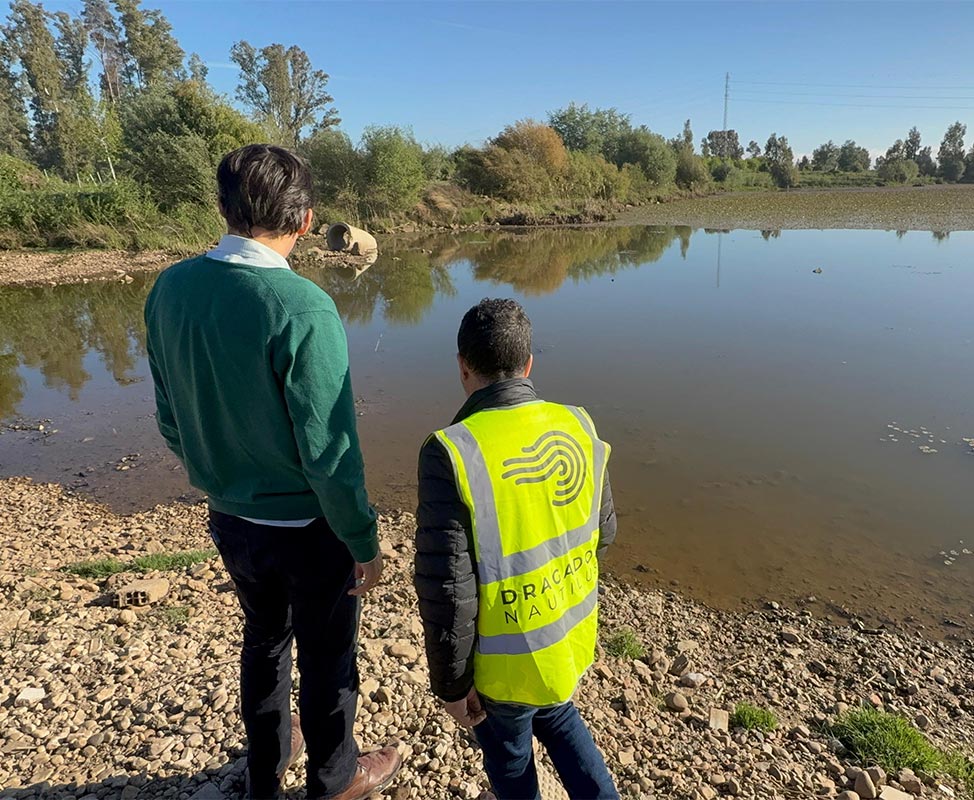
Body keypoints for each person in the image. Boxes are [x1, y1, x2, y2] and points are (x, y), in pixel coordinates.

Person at [144, 143, 401, 800]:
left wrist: (217, 475)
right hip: (310, 530)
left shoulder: (170, 288)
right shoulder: (301, 304)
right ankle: (335, 779)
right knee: (326, 655)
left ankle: (265, 773)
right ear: (307, 220)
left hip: (230, 518)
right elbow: (331, 452)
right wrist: (364, 541)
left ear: (223, 207)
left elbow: (169, 412)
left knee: (263, 640)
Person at [415, 298, 619, 800]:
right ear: (529, 365)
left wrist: (452, 686)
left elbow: (449, 591)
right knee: (560, 717)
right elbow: (605, 533)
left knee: (509, 763)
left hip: (501, 668)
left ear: (463, 368)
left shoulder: (451, 450)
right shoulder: (578, 424)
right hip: (566, 642)